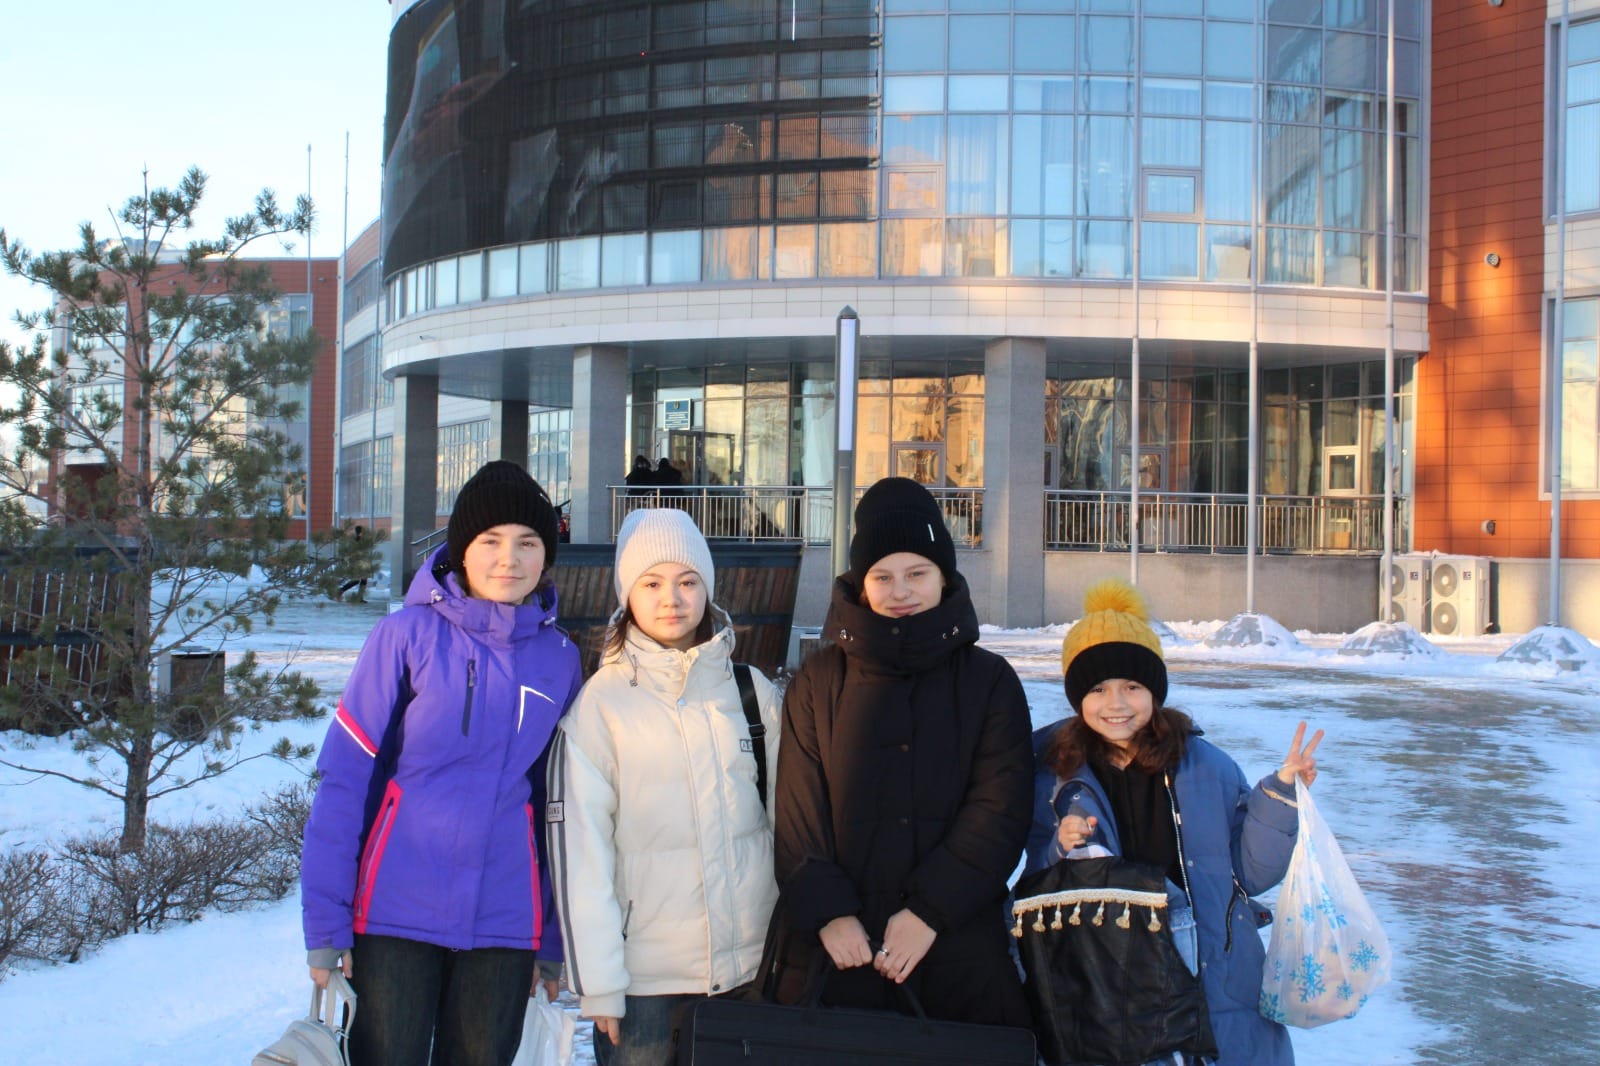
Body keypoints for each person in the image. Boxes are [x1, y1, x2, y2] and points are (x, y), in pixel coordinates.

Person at [300, 460, 582, 1066]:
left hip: (506, 920)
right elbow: (346, 780)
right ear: (462, 550)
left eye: (528, 543)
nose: (509, 559)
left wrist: (553, 935)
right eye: (491, 541)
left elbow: (559, 806)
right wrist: (326, 922)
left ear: (546, 555)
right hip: (395, 912)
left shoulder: (560, 659)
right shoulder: (404, 638)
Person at [1024, 579, 1323, 1066]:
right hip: (1108, 983)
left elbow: (1252, 873)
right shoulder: (1055, 778)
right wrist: (1059, 845)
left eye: (1132, 687)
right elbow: (1035, 881)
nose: (1116, 704)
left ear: (1155, 691)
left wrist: (1279, 795)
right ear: (1078, 698)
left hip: (1213, 975)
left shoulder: (1207, 766)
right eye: (1098, 689)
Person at [772, 476, 1035, 1028]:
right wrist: (829, 913)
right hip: (838, 957)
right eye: (882, 577)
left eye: (917, 573)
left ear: (943, 577)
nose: (900, 592)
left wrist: (929, 911)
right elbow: (797, 815)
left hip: (958, 952)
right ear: (860, 583)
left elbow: (1001, 809)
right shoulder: (818, 682)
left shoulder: (989, 682)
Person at [546, 507, 782, 1066]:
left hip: (750, 971)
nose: (671, 599)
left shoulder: (751, 693)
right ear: (627, 594)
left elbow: (789, 823)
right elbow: (580, 854)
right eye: (651, 583)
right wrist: (599, 982)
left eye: (687, 581)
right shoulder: (601, 707)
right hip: (644, 985)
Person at [336, 524, 370, 603]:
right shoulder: (359, 541)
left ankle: (359, 597)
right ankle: (340, 591)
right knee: (358, 580)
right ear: (361, 532)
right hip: (358, 562)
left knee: (362, 579)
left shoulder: (356, 540)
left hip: (359, 562)